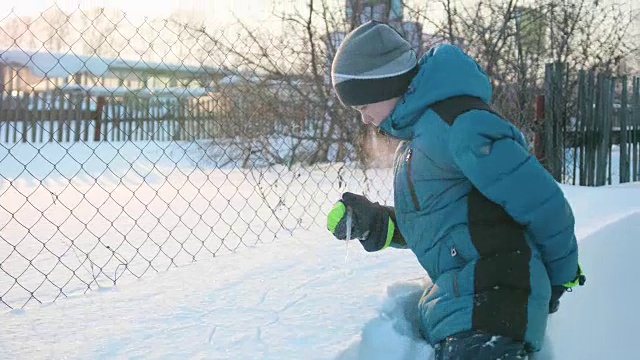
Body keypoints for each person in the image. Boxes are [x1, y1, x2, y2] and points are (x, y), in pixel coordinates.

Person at [326, 20, 585, 359]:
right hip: (467, 307)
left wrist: (560, 277)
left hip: (492, 305)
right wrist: (375, 223)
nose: (365, 119)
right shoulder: (419, 141)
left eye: (363, 107)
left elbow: (544, 204)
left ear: (383, 86)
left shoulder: (462, 126)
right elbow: (444, 225)